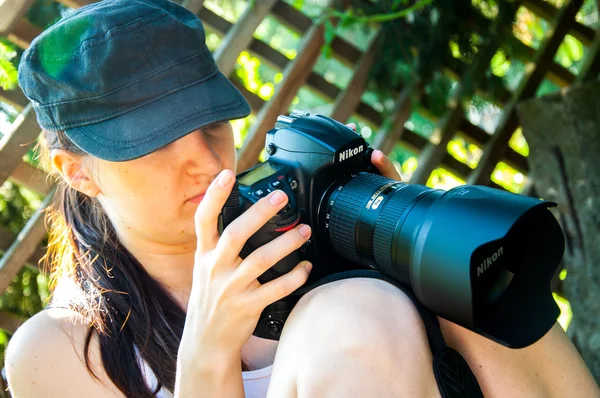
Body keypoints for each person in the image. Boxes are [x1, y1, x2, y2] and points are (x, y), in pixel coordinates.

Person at [4, 0, 599, 397]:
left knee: (394, 292)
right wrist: (207, 357)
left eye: (212, 124)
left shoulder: (308, 225)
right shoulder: (63, 353)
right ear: (77, 172)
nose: (207, 162)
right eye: (154, 142)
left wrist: (411, 251)